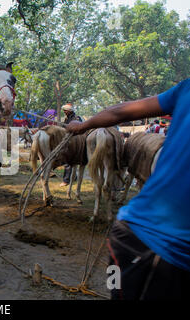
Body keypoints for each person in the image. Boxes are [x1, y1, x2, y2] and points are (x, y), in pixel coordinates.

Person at [66, 79, 190, 300]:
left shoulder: (186, 88)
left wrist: (83, 127)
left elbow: (119, 112)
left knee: (117, 290)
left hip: (126, 237)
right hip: (156, 247)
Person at [60, 103, 83, 187]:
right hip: (68, 140)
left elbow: (80, 129)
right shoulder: (66, 119)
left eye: (65, 110)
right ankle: (74, 177)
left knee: (68, 162)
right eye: (64, 111)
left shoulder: (76, 118)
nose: (64, 112)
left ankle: (66, 180)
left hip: (75, 141)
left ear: (70, 111)